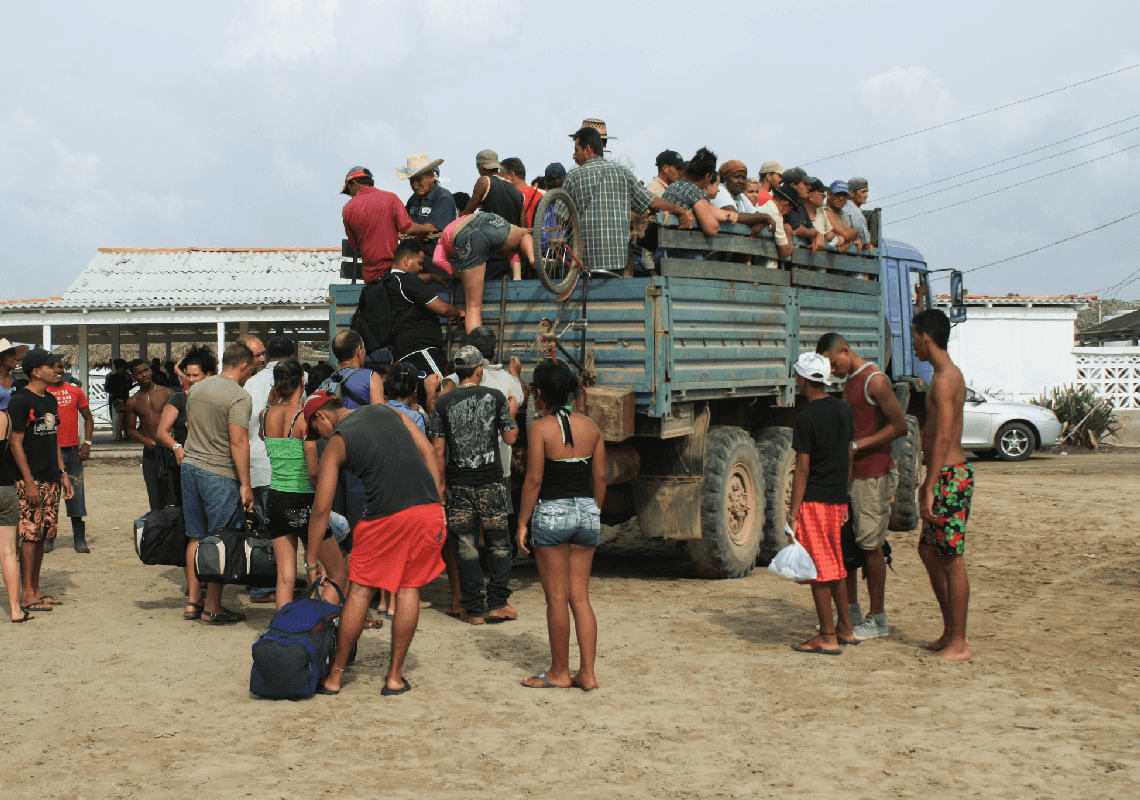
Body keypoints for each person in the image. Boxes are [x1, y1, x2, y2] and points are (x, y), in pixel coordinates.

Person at [304, 391, 448, 696]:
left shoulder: (338, 441)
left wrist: (312, 559)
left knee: (360, 588)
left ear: (322, 416)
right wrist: (437, 500)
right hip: (428, 511)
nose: (321, 439)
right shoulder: (388, 411)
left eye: (318, 433)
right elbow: (429, 452)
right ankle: (394, 677)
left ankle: (335, 677)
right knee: (409, 588)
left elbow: (321, 508)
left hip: (384, 517)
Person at [515, 360, 605, 690]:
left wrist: (522, 522)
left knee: (556, 598)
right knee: (580, 597)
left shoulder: (540, 429)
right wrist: (592, 512)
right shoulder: (592, 428)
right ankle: (589, 674)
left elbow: (535, 480)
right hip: (586, 513)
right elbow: (600, 476)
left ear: (539, 394)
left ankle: (559, 672)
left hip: (552, 515)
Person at [816, 332, 908, 640]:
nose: (831, 371)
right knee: (849, 547)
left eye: (832, 363)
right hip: (854, 476)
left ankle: (877, 617)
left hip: (873, 475)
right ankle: (853, 611)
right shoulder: (851, 381)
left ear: (844, 351)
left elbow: (900, 426)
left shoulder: (874, 381)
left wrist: (858, 446)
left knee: (871, 546)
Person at [429, 345, 519, 624]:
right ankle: (498, 604)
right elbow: (511, 439)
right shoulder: (495, 397)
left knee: (466, 547)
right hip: (491, 483)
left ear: (458, 372)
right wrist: (512, 412)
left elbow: (438, 450)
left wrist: (440, 486)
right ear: (479, 369)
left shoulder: (442, 404)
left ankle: (472, 609)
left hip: (458, 486)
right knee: (499, 545)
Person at [260, 361, 349, 611]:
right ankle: (320, 624)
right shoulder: (303, 418)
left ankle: (283, 628)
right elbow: (312, 470)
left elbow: (261, 437)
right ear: (302, 381)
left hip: (275, 499)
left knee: (285, 576)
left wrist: (271, 401)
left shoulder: (265, 414)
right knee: (337, 571)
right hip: (302, 502)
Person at [912, 309, 974, 661]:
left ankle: (960, 643)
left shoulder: (946, 378)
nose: (915, 344)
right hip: (942, 477)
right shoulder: (941, 376)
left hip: (950, 477)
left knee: (951, 558)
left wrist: (931, 485)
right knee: (928, 551)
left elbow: (944, 435)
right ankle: (950, 631)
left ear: (926, 337)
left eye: (915, 336)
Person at [180, 341, 256, 627]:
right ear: (245, 365)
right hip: (219, 473)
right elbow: (238, 441)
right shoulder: (239, 396)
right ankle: (212, 607)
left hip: (190, 468)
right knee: (221, 540)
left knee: (196, 536)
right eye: (253, 367)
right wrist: (246, 484)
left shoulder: (197, 388)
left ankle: (193, 600)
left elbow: (190, 427)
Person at [786, 352, 855, 655]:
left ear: (802, 379)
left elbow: (802, 468)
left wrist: (792, 512)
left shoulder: (805, 418)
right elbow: (849, 454)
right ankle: (846, 629)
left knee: (818, 570)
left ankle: (827, 635)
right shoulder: (843, 410)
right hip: (837, 499)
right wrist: (844, 495)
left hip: (814, 501)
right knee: (836, 565)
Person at [563, 126, 696, 277]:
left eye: (576, 150)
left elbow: (560, 217)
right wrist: (682, 210)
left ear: (587, 149)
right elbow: (651, 202)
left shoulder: (572, 176)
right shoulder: (623, 173)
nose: (574, 156)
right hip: (617, 262)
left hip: (582, 262)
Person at [7, 348, 74, 615]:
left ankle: (36, 590)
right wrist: (29, 481)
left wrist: (62, 472)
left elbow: (53, 438)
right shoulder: (21, 401)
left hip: (50, 477)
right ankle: (26, 595)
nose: (56, 369)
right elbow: (15, 443)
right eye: (50, 365)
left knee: (43, 535)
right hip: (30, 479)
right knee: (29, 535)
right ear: (36, 371)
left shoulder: (49, 400)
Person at [433, 212, 533, 332]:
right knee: (523, 234)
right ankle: (533, 258)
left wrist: (458, 274)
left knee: (473, 307)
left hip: (465, 235)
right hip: (485, 219)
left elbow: (437, 260)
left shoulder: (442, 241)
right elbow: (509, 250)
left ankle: (476, 348)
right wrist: (517, 277)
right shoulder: (464, 218)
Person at [341, 166, 437, 283]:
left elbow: (354, 246)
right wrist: (427, 228)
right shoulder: (390, 198)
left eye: (349, 190)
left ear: (354, 183)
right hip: (393, 273)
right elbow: (408, 228)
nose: (350, 194)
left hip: (370, 277)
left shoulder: (347, 209)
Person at [388, 240, 465, 378]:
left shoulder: (388, 281)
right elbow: (442, 309)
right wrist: (459, 312)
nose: (421, 268)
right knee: (443, 389)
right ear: (407, 260)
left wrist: (433, 277)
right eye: (420, 263)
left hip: (399, 355)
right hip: (421, 352)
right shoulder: (407, 280)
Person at [155, 350, 217, 507]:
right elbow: (162, 432)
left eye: (195, 375)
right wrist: (177, 447)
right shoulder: (179, 398)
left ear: (208, 374)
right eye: (188, 375)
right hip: (184, 465)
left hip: (212, 464)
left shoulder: (216, 399)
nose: (190, 379)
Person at [46, 360, 94, 553]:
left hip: (72, 450)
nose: (58, 370)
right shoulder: (42, 393)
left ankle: (79, 538)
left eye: (60, 367)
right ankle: (49, 537)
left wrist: (87, 443)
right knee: (50, 494)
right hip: (48, 451)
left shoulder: (76, 391)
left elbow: (88, 417)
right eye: (54, 367)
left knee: (75, 493)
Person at [461, 150, 526, 282]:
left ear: (481, 167)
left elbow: (466, 214)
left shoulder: (485, 181)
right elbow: (523, 226)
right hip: (514, 258)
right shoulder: (517, 192)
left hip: (493, 255)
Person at [124, 359, 174, 512]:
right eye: (139, 373)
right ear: (133, 377)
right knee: (154, 495)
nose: (144, 374)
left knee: (173, 495)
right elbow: (131, 429)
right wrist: (143, 439)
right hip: (151, 452)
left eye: (146, 370)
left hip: (170, 449)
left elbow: (178, 420)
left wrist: (173, 440)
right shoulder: (133, 402)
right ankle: (159, 531)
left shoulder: (166, 393)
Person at [659, 148, 738, 239]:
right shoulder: (695, 192)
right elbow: (711, 229)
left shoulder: (672, 187)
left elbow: (707, 209)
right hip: (686, 248)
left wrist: (726, 215)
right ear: (708, 176)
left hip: (666, 247)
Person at [1, 396, 30, 620]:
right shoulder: (6, 419)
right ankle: (15, 609)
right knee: (9, 551)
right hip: (4, 489)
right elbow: (10, 452)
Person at [399, 154, 457, 262]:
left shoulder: (444, 197)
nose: (415, 186)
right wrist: (420, 231)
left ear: (431, 176)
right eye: (412, 181)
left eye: (419, 180)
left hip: (436, 260)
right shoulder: (414, 198)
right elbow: (402, 222)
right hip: (416, 259)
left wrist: (409, 230)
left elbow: (433, 228)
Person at [500, 157, 544, 227]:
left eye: (502, 177)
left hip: (519, 236)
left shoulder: (508, 196)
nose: (500, 181)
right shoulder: (541, 194)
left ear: (512, 175)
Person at [824, 181, 862, 252]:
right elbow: (847, 234)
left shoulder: (841, 213)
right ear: (829, 194)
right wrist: (847, 239)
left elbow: (849, 232)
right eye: (838, 194)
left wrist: (848, 241)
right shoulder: (825, 211)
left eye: (844, 195)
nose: (841, 198)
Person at [842, 177, 874, 252]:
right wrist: (869, 244)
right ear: (852, 193)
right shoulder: (855, 212)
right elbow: (866, 243)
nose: (866, 195)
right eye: (863, 192)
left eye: (867, 192)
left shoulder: (842, 206)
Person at [104, 359, 132, 441]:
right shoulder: (122, 378)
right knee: (121, 418)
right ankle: (119, 436)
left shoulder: (111, 377)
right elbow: (126, 388)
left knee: (118, 418)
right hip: (121, 399)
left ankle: (119, 435)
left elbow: (107, 388)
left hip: (114, 398)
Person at [0, 339, 31, 412]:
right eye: (11, 355)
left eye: (15, 355)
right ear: (1, 358)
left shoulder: (17, 381)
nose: (15, 358)